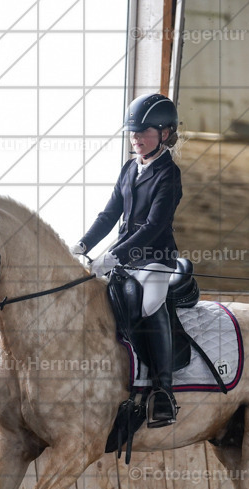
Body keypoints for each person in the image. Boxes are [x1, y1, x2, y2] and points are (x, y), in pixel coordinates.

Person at [72, 93, 183, 428]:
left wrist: (115, 255)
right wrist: (82, 244)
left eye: (143, 132)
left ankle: (164, 391)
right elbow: (109, 214)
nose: (135, 138)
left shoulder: (169, 174)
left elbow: (153, 227)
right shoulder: (129, 168)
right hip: (124, 258)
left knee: (150, 305)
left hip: (155, 260)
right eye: (132, 132)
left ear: (164, 133)